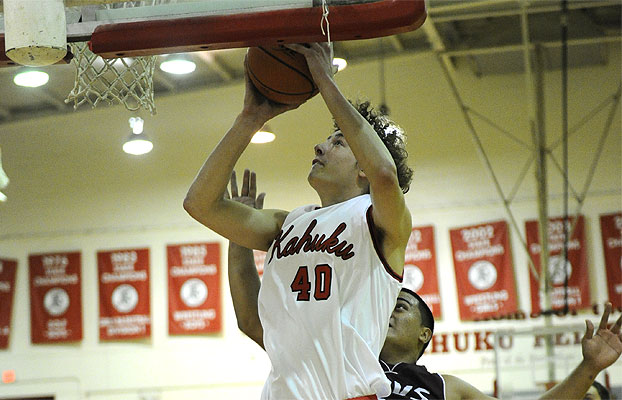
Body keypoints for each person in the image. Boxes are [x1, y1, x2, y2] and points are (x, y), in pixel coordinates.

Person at [225, 170, 622, 400]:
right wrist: (238, 236)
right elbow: (252, 319)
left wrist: (588, 368)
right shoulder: (337, 355)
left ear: (425, 334)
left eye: (403, 306)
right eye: (389, 304)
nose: (391, 309)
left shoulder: (443, 388)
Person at [184, 42, 413, 400]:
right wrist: (249, 119)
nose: (319, 148)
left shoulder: (381, 222)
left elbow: (385, 172)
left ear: (363, 170)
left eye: (338, 143)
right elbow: (199, 204)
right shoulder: (287, 223)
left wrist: (324, 81)